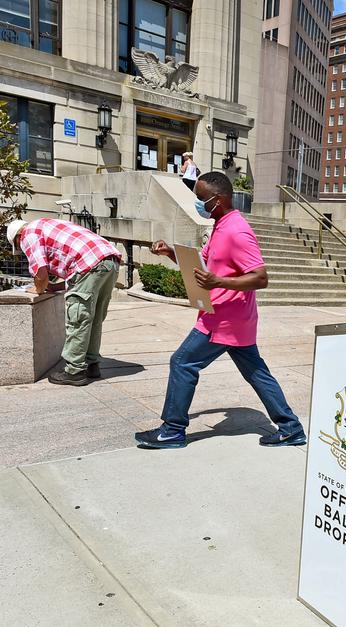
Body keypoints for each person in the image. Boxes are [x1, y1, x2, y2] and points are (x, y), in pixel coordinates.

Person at [134, 171, 306, 450]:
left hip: (223, 319)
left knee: (182, 362)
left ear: (219, 199)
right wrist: (171, 253)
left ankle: (172, 430)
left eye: (201, 198)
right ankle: (291, 428)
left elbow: (261, 278)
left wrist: (219, 282)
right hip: (235, 318)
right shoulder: (222, 225)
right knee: (256, 372)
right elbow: (206, 263)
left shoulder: (237, 230)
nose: (198, 203)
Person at [6, 217, 122, 385]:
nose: (23, 250)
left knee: (78, 316)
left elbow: (41, 273)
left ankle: (74, 371)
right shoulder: (45, 224)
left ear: (17, 239)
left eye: (19, 247)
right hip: (108, 260)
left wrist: (38, 289)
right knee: (94, 317)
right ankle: (91, 364)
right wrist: (55, 287)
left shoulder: (28, 233)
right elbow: (76, 274)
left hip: (90, 263)